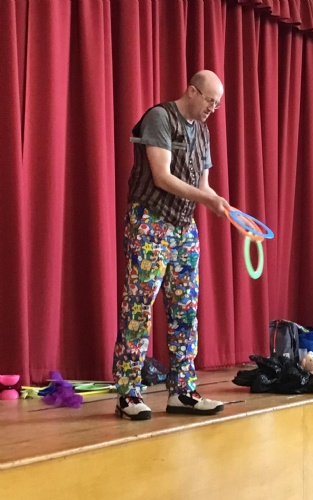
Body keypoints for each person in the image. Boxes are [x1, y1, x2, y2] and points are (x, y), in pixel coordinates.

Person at [112, 70, 230, 420]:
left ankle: (182, 391)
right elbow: (162, 176)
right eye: (209, 101)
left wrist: (223, 205)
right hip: (150, 221)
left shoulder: (203, 132)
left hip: (184, 228)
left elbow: (204, 187)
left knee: (185, 311)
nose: (212, 109)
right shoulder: (159, 118)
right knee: (139, 307)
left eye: (217, 104)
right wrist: (206, 200)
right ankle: (128, 393)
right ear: (192, 91)